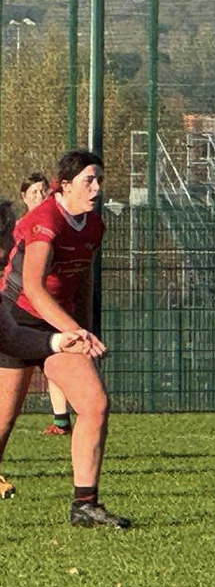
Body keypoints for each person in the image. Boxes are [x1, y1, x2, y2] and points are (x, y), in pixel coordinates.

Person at [0, 151, 126, 526]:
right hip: (17, 322)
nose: (97, 188)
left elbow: (82, 281)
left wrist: (84, 329)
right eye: (89, 180)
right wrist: (73, 330)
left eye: (99, 179)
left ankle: (85, 506)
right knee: (4, 421)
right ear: (65, 185)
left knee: (95, 404)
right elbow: (34, 289)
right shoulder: (46, 220)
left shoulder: (93, 226)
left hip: (60, 324)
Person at [18, 173, 75, 437]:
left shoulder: (57, 225)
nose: (40, 196)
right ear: (24, 197)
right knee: (14, 373)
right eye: (34, 192)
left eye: (43, 191)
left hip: (50, 309)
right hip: (21, 310)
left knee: (55, 363)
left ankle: (61, 421)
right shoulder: (18, 227)